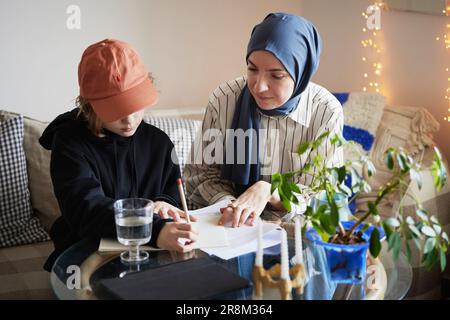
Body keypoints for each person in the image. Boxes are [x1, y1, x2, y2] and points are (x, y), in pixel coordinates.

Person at [40, 39, 197, 271]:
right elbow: (86, 208)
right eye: (117, 111)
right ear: (88, 105)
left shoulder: (159, 142)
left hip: (152, 255)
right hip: (85, 251)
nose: (129, 120)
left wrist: (165, 203)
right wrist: (154, 229)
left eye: (135, 106)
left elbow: (172, 191)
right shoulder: (70, 144)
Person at [185, 13, 344, 228]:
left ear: (301, 72)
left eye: (276, 76)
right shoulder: (224, 99)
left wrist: (269, 193)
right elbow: (200, 176)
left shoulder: (326, 111)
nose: (258, 86)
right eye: (252, 69)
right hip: (231, 227)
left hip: (295, 231)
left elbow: (322, 193)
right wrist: (234, 206)